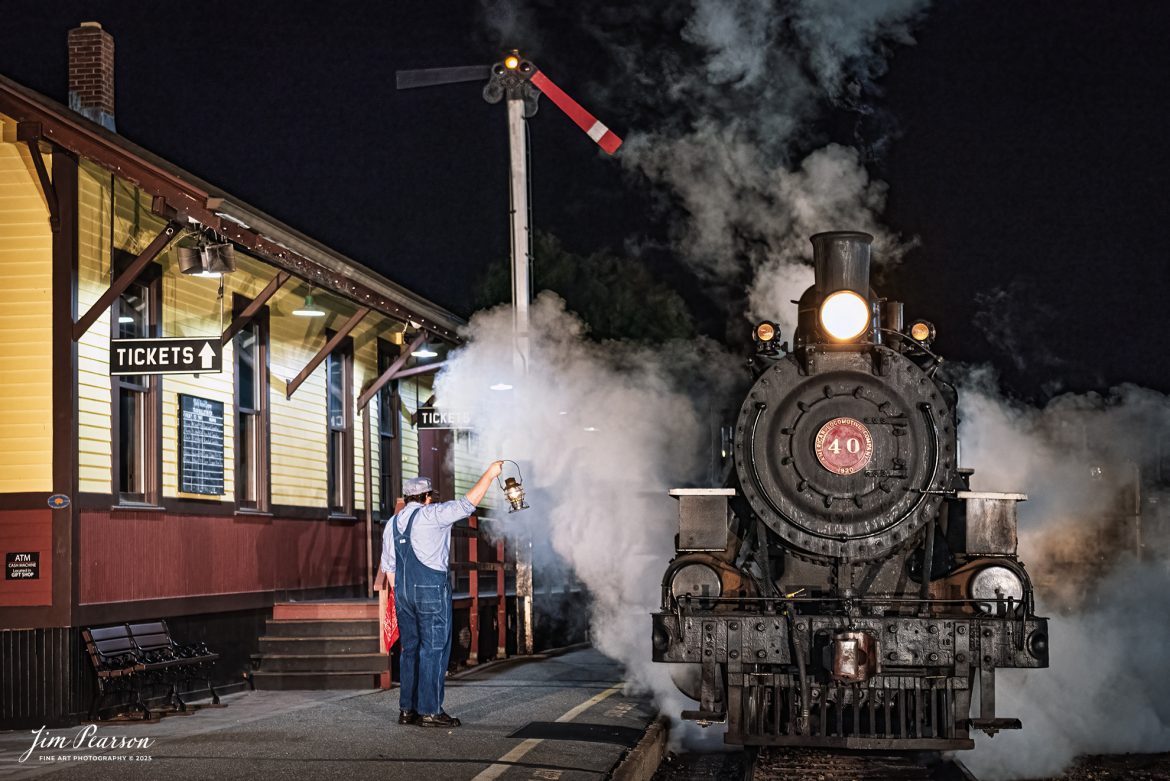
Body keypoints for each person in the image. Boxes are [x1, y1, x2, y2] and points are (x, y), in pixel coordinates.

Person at [375, 460, 504, 728]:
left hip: (403, 592)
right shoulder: (431, 515)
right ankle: (430, 710)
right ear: (426, 497)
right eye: (431, 496)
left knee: (410, 650)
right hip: (430, 590)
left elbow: (388, 567)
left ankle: (407, 710)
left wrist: (402, 593)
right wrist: (490, 474)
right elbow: (468, 503)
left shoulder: (393, 523)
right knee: (433, 649)